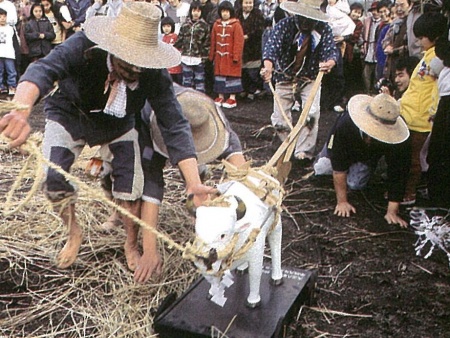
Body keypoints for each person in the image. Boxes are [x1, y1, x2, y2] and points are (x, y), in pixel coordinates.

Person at [0, 2, 213, 274]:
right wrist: (20, 108)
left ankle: (130, 242)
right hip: (70, 112)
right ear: (112, 46)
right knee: (53, 180)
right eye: (129, 60)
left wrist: (193, 183)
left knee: (131, 186)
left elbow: (174, 122)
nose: (136, 69)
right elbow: (43, 69)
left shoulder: (153, 73)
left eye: (142, 63)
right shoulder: (83, 45)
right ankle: (73, 232)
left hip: (120, 121)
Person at [314, 94, 411, 227]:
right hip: (343, 148)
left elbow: (399, 172)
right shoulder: (345, 124)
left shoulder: (400, 140)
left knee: (355, 184)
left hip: (366, 156)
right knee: (322, 168)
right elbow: (338, 166)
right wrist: (342, 202)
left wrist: (392, 212)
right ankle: (323, 155)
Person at [261, 0, 338, 161]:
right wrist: (268, 67)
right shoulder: (284, 25)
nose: (305, 22)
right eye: (302, 18)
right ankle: (287, 146)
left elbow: (331, 53)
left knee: (311, 114)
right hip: (284, 76)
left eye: (309, 19)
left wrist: (329, 63)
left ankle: (304, 151)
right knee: (279, 120)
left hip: (309, 77)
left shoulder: (323, 29)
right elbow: (271, 49)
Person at [399, 12, 447, 205]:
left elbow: (437, 89)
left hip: (421, 118)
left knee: (414, 160)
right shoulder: (426, 56)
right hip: (409, 114)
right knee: (407, 155)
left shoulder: (439, 58)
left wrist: (433, 113)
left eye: (422, 38)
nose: (419, 42)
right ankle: (402, 188)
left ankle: (409, 194)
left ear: (435, 37)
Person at [427, 13, 450, 208]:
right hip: (445, 95)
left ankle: (441, 199)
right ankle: (439, 199)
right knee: (439, 149)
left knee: (441, 150)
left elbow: (444, 52)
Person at [209, 0, 244, 109]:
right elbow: (213, 41)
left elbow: (239, 41)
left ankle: (232, 98)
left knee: (231, 78)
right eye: (223, 11)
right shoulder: (216, 24)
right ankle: (220, 96)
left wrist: (236, 56)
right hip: (219, 57)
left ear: (231, 12)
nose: (225, 13)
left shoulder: (236, 25)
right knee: (220, 76)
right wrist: (212, 55)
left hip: (231, 57)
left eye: (227, 11)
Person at [174, 1, 210, 93]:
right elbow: (179, 39)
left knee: (199, 80)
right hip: (186, 57)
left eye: (198, 11)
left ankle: (201, 99)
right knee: (186, 80)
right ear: (191, 11)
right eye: (194, 10)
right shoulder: (185, 25)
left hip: (198, 58)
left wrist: (204, 57)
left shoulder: (205, 26)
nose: (196, 13)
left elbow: (207, 43)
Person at [236, 0, 265, 99]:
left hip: (253, 46)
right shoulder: (237, 13)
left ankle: (253, 90)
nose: (248, 5)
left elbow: (260, 29)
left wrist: (248, 36)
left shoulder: (258, 14)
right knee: (243, 71)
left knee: (253, 71)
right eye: (246, 3)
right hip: (241, 46)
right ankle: (244, 89)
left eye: (250, 3)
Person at [381, 0, 411, 84]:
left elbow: (412, 46)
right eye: (397, 6)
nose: (399, 9)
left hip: (405, 65)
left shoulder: (411, 22)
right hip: (391, 66)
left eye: (402, 5)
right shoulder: (395, 22)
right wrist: (386, 45)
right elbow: (385, 40)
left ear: (410, 5)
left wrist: (394, 51)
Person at [342, 2, 363, 98]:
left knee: (347, 73)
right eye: (355, 11)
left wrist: (344, 37)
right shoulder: (343, 19)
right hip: (339, 48)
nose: (356, 15)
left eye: (359, 13)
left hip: (349, 51)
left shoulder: (359, 24)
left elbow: (355, 36)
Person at [361, 1, 381, 94]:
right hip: (368, 48)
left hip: (378, 49)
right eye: (373, 10)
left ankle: (375, 92)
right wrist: (362, 45)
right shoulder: (367, 21)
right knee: (366, 73)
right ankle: (367, 91)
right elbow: (362, 34)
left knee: (377, 74)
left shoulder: (383, 22)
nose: (375, 12)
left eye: (376, 10)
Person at [0, 8, 18, 95]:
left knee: (11, 71)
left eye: (4, 16)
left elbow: (15, 41)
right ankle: (1, 87)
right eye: (0, 17)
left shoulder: (10, 28)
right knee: (0, 71)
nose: (2, 18)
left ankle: (12, 86)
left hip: (9, 53)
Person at [160, 16, 183, 85]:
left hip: (176, 66)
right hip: (166, 66)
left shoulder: (175, 37)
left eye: (168, 26)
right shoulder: (163, 37)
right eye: (164, 26)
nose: (166, 28)